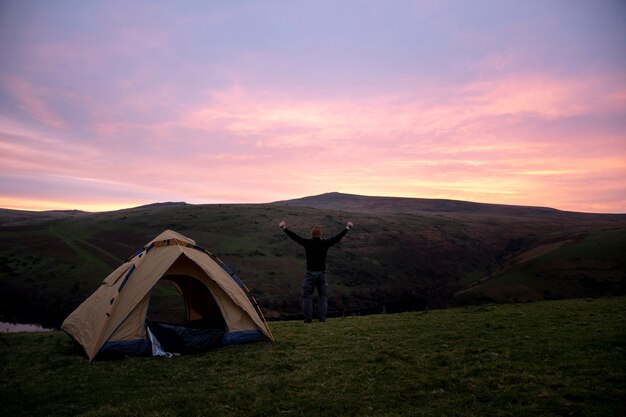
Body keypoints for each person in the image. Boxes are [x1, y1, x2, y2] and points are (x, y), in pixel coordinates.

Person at [279, 220, 354, 323]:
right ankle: (322, 319)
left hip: (310, 273)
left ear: (312, 234)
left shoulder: (307, 243)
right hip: (322, 274)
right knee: (323, 297)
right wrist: (347, 228)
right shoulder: (325, 243)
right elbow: (337, 238)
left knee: (307, 297)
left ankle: (308, 319)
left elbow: (295, 237)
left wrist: (284, 228)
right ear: (320, 235)